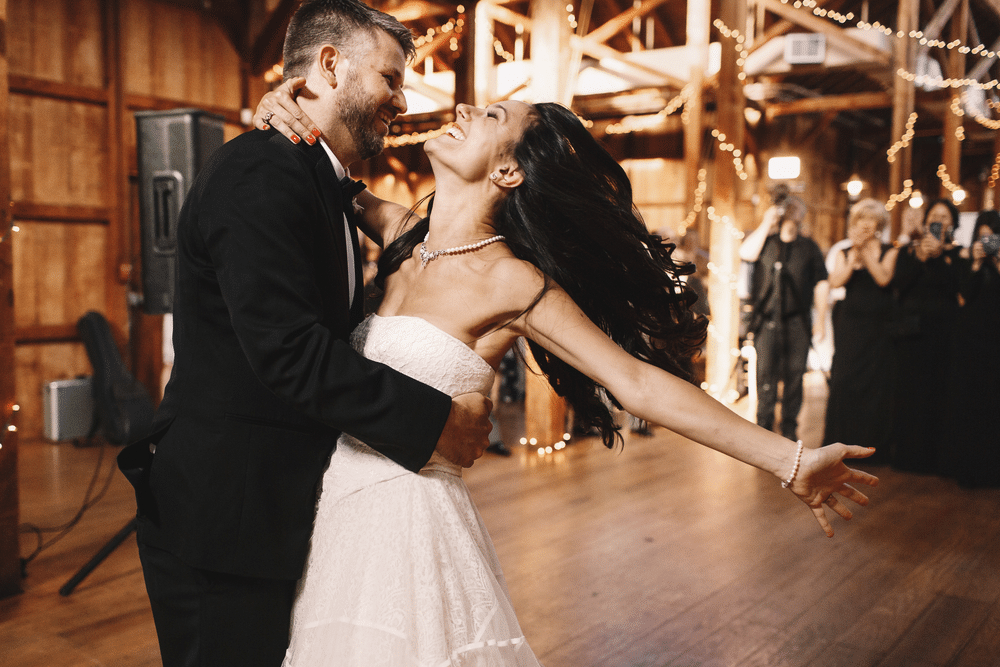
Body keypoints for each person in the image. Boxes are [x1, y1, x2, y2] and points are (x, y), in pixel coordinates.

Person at [255, 88, 879, 665]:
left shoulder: (513, 282)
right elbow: (331, 176)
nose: (468, 108)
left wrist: (789, 461)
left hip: (413, 529)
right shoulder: (403, 233)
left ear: (507, 172)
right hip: (338, 511)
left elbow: (635, 382)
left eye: (492, 117)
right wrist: (282, 113)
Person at [115, 3, 493, 666]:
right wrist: (437, 423)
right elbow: (289, 352)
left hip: (280, 513)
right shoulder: (259, 173)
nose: (401, 100)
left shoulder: (321, 183)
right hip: (223, 520)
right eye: (391, 78)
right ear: (328, 65)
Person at [739, 189, 829, 441]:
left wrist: (820, 320)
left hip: (797, 321)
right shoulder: (766, 242)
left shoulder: (809, 248)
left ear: (803, 214)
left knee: (794, 376)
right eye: (788, 207)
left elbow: (822, 284)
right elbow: (746, 254)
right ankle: (763, 424)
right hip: (766, 320)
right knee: (765, 373)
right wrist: (767, 222)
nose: (791, 211)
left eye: (796, 208)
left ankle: (789, 426)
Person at [888, 198, 966, 474]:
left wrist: (940, 257)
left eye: (945, 217)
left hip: (944, 333)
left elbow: (958, 289)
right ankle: (909, 455)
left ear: (953, 224)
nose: (939, 221)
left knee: (940, 393)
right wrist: (921, 256)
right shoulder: (909, 252)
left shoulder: (958, 255)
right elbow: (899, 286)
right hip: (911, 334)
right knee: (911, 395)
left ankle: (938, 458)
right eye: (934, 215)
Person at [822, 199, 898, 462]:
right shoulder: (845, 251)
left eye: (870, 219)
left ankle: (873, 449)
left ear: (879, 224)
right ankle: (840, 445)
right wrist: (853, 254)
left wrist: (866, 253)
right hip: (850, 324)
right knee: (843, 381)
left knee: (875, 385)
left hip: (878, 328)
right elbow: (834, 281)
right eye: (861, 219)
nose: (865, 224)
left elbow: (883, 278)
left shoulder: (890, 250)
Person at [943, 210, 1000, 487]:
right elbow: (965, 294)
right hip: (969, 339)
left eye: (992, 236)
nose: (987, 241)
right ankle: (968, 468)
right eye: (982, 236)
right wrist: (977, 263)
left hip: (995, 338)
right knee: (969, 401)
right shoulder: (967, 257)